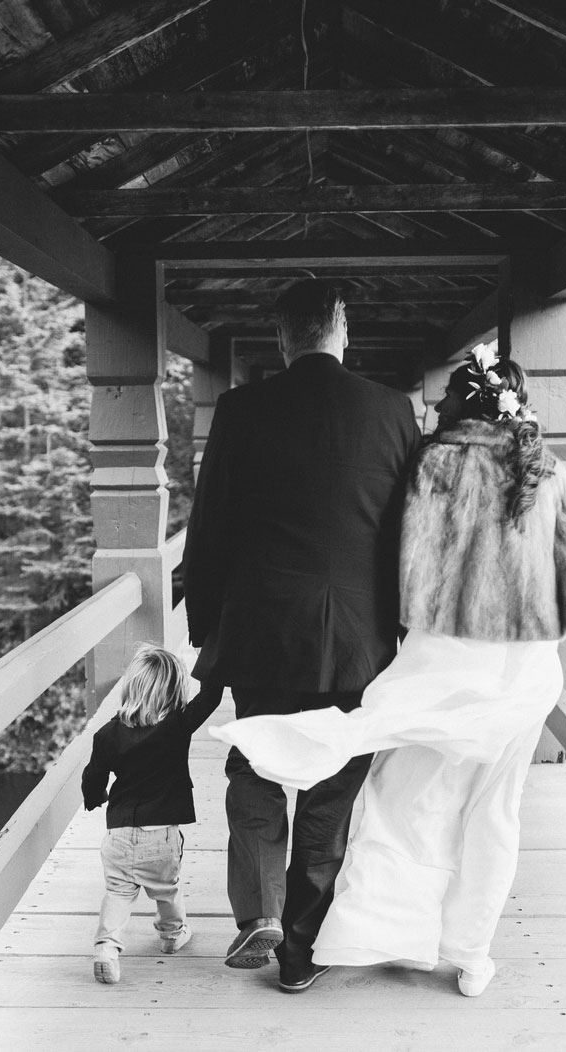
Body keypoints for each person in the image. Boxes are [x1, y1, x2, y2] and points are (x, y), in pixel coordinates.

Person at [212, 347, 566, 998]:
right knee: (496, 813)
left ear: (465, 403)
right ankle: (470, 956)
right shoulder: (549, 473)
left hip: (444, 657)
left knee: (402, 806)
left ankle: (375, 932)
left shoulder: (435, 464)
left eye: (444, 398)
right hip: (525, 670)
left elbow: (403, 571)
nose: (434, 406)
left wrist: (405, 636)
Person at [182, 279, 421, 992]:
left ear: (282, 339)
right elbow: (413, 532)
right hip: (359, 636)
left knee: (255, 762)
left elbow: (210, 526)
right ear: (341, 332)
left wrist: (205, 629)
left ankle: (261, 911)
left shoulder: (239, 410)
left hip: (261, 630)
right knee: (334, 785)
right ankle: (302, 951)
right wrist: (408, 629)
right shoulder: (390, 411)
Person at [81, 644, 222, 984]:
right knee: (167, 890)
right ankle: (173, 935)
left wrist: (94, 797)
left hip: (118, 834)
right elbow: (212, 696)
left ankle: (107, 947)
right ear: (175, 692)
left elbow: (92, 777)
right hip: (160, 834)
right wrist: (218, 652)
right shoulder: (177, 725)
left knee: (118, 893)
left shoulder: (108, 734)